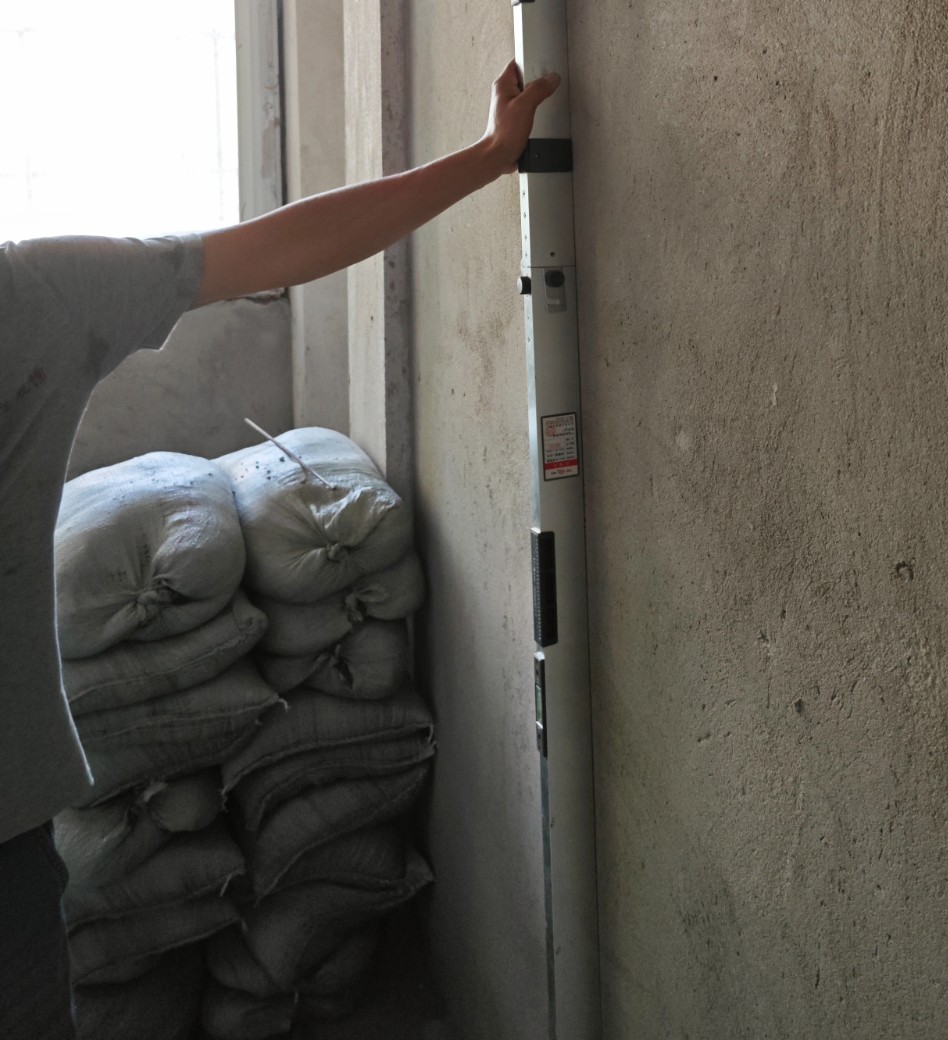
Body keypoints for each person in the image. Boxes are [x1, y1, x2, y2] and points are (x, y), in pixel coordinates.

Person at [0, 60, 559, 1038]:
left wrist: (486, 159)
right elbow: (273, 253)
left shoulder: (30, 299)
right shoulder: (30, 296)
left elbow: (274, 249)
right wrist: (485, 158)